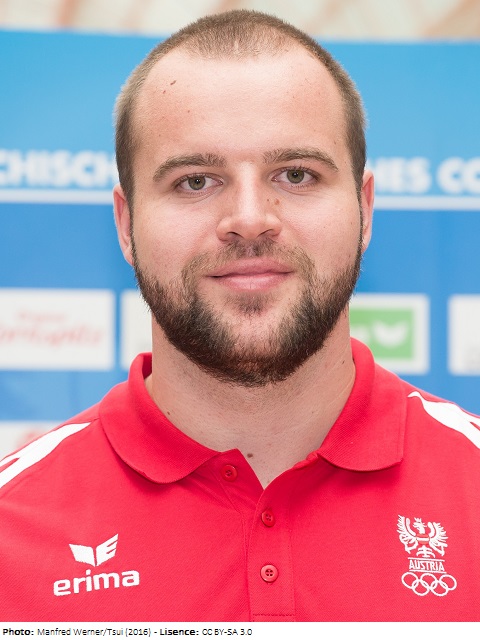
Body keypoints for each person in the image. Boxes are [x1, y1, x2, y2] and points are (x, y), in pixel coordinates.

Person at [1, 9, 479, 623]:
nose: (250, 219)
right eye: (195, 181)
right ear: (125, 224)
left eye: (297, 175)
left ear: (365, 209)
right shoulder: (13, 528)